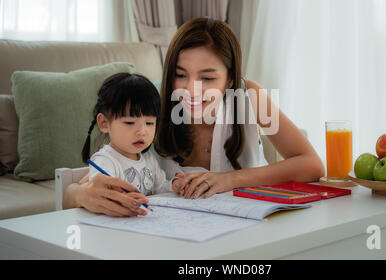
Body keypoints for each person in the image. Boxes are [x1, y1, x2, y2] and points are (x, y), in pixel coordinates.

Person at [63, 17, 325, 216]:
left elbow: (311, 164)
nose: (190, 90)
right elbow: (76, 190)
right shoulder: (153, 111)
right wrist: (80, 195)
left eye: (207, 78)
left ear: (230, 78)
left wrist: (228, 180)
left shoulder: (250, 97)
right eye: (180, 74)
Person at [78, 73, 175, 216]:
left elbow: (162, 188)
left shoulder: (148, 159)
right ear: (104, 123)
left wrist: (175, 185)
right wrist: (121, 200)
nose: (142, 132)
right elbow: (101, 196)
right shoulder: (105, 160)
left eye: (149, 123)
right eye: (130, 123)